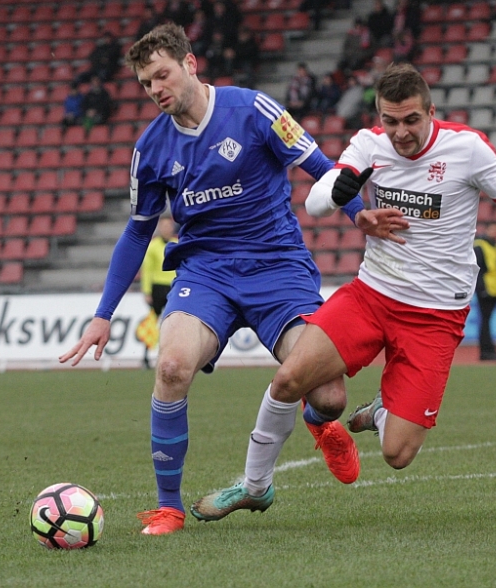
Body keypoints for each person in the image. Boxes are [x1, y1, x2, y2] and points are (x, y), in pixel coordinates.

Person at [190, 62, 496, 522]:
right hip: (371, 296)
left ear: (431, 112)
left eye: (411, 120)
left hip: (435, 316)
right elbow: (315, 203)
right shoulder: (369, 145)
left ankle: (381, 413)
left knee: (397, 454)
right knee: (289, 379)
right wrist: (338, 193)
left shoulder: (467, 149)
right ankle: (255, 486)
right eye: (390, 120)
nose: (401, 132)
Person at [58, 23, 370, 536]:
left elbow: (323, 169)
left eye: (162, 75)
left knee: (330, 397)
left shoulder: (254, 110)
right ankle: (168, 508)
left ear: (190, 64)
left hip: (277, 267)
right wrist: (102, 315)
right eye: (146, 83)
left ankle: (320, 422)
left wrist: (362, 217)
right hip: (206, 274)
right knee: (171, 367)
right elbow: (136, 233)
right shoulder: (150, 149)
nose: (156, 89)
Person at [139, 216, 178, 367]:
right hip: (157, 287)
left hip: (174, 286)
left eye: (169, 226)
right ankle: (145, 356)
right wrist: (147, 291)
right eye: (164, 226)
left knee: (174, 322)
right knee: (152, 323)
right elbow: (147, 270)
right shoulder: (153, 246)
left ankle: (172, 356)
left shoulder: (177, 243)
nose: (166, 228)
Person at [474, 224, 496, 361]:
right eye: (493, 229)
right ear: (486, 230)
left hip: (495, 288)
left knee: (487, 319)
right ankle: (486, 350)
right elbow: (478, 270)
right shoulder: (479, 246)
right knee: (485, 320)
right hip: (485, 288)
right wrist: (481, 288)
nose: (495, 232)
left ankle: (488, 349)